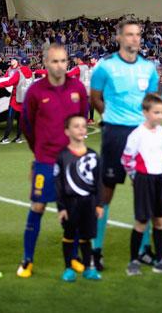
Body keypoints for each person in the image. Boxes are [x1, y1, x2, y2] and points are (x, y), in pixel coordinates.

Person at [90, 19, 158, 270]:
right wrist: (110, 117)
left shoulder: (149, 68)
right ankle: (95, 250)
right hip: (115, 135)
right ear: (118, 37)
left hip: (141, 134)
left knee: (145, 190)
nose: (134, 39)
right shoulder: (105, 67)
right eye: (129, 35)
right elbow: (95, 97)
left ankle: (144, 249)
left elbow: (152, 102)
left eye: (137, 35)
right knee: (105, 191)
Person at [17, 44, 88, 278]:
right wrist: (38, 153)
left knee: (73, 211)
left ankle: (74, 257)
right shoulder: (36, 92)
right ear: (45, 63)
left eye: (63, 61)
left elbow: (83, 119)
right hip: (46, 161)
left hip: (72, 161)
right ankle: (27, 260)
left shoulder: (77, 88)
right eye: (55, 61)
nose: (59, 66)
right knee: (37, 207)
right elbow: (26, 125)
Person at [122, 94, 162, 276]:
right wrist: (135, 177)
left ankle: (159, 260)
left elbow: (160, 154)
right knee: (141, 221)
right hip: (143, 180)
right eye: (156, 113)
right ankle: (133, 262)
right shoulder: (137, 134)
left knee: (159, 220)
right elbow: (126, 159)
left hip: (158, 177)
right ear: (145, 112)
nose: (161, 117)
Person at [56, 115, 103, 282]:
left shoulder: (93, 155)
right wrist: (61, 207)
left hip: (88, 202)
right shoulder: (62, 156)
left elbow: (98, 182)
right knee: (69, 233)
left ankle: (89, 268)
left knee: (86, 235)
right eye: (76, 126)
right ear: (67, 131)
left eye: (83, 126)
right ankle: (68, 268)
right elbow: (59, 184)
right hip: (70, 203)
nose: (81, 129)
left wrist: (99, 204)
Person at [0, 58, 33, 144]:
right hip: (25, 100)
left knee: (10, 118)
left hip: (16, 99)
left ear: (20, 64)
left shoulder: (18, 72)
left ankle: (5, 138)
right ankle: (18, 138)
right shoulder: (31, 74)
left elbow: (10, 82)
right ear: (29, 64)